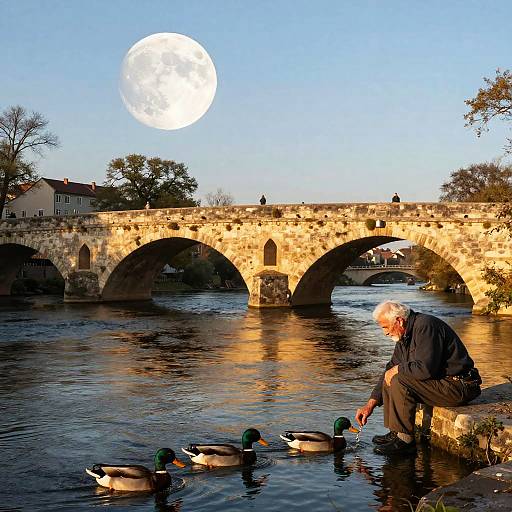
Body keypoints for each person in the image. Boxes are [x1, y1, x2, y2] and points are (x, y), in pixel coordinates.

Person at [355, 301, 481, 455]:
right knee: (391, 375)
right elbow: (390, 368)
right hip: (443, 383)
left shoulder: (426, 327)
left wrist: (398, 369)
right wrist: (370, 405)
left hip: (459, 386)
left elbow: (426, 369)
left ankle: (405, 440)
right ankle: (396, 431)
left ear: (399, 321)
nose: (385, 333)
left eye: (385, 327)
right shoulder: (405, 335)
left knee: (399, 378)